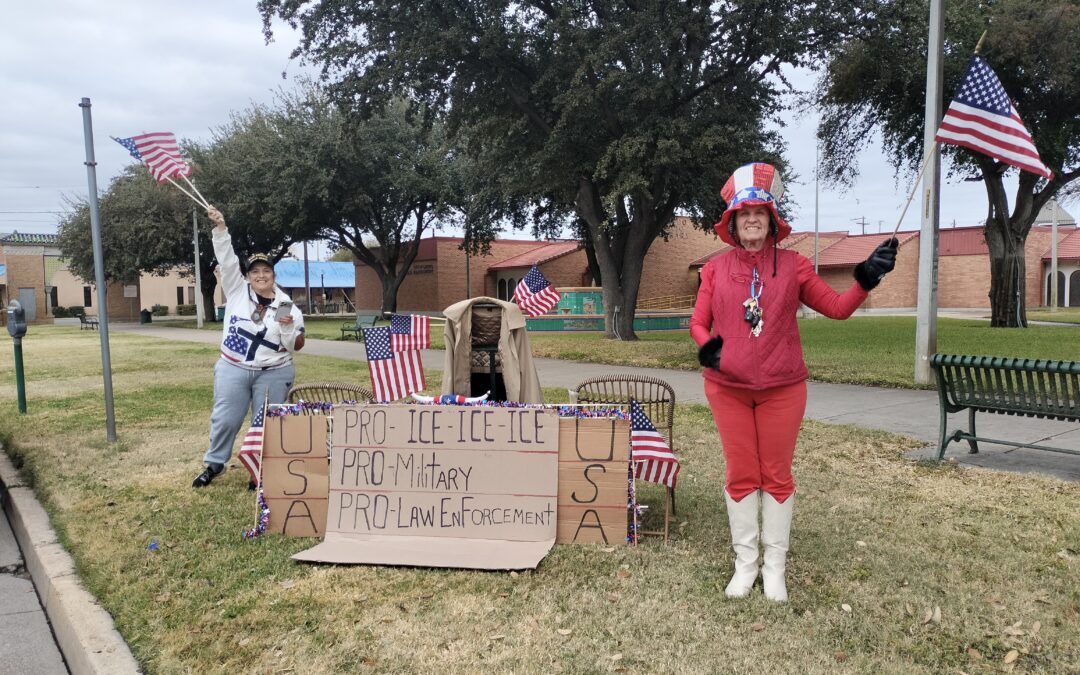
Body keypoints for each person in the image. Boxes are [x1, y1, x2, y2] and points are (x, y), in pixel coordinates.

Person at [690, 163, 897, 601]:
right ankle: (745, 565)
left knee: (777, 474)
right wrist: (708, 346)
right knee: (741, 472)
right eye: (742, 213)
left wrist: (865, 277)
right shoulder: (714, 269)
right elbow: (698, 321)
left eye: (759, 213)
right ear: (731, 221)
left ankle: (775, 568)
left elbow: (838, 308)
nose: (751, 219)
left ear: (772, 221)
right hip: (727, 388)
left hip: (783, 389)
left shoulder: (795, 265)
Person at [192, 205, 306, 488]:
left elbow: (296, 345)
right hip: (233, 366)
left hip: (274, 371)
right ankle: (215, 464)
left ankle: (259, 469)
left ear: (274, 276)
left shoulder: (285, 305)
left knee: (265, 422)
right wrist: (221, 229)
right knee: (225, 419)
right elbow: (227, 260)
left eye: (266, 271)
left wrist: (289, 327)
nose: (260, 275)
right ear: (248, 275)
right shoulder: (236, 290)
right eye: (255, 271)